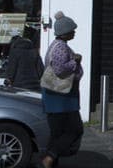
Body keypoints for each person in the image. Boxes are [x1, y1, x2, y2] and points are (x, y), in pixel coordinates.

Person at [39, 12, 84, 168]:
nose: (74, 32)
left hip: (59, 98)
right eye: (72, 30)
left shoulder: (57, 45)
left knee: (57, 133)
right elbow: (59, 70)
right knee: (75, 129)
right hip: (61, 98)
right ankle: (50, 158)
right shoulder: (61, 48)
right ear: (65, 32)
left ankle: (49, 162)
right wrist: (75, 61)